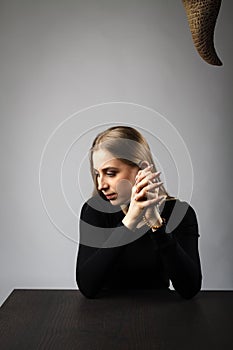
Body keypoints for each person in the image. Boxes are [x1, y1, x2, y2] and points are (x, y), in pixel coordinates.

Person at [76, 126, 202, 299]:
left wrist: (156, 225)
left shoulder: (180, 212)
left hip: (161, 317)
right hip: (103, 317)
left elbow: (190, 289)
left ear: (142, 169)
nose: (101, 185)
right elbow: (87, 286)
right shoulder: (94, 210)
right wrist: (130, 221)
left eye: (110, 173)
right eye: (97, 174)